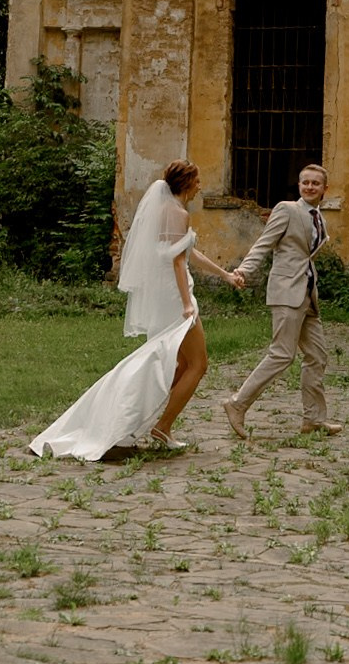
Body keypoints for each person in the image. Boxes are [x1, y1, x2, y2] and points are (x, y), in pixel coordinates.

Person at [31, 160, 243, 459]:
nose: (200, 186)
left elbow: (187, 252)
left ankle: (136, 418)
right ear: (186, 183)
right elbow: (179, 262)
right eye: (197, 181)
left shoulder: (164, 211)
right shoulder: (178, 213)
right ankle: (162, 426)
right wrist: (186, 304)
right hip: (175, 297)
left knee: (177, 365)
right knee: (197, 365)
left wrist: (226, 275)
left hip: (167, 295)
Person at [222, 163, 342, 439]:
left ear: (325, 188)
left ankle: (313, 419)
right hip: (287, 292)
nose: (310, 187)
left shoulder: (318, 217)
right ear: (299, 186)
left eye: (315, 183)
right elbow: (264, 243)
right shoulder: (287, 210)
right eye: (305, 182)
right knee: (282, 354)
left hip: (307, 294)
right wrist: (243, 270)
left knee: (317, 356)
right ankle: (237, 403)